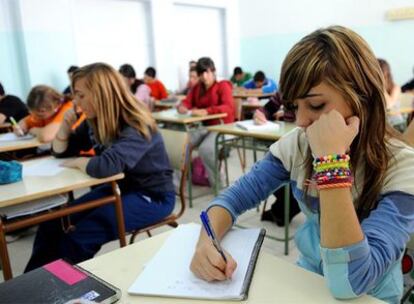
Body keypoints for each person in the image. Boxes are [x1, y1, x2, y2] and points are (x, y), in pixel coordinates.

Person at [189, 26, 414, 303]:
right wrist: (206, 240)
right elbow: (233, 198)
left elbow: (351, 281)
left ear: (363, 99)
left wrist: (331, 164)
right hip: (308, 280)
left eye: (316, 105)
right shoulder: (298, 145)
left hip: (371, 295)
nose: (301, 121)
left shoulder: (403, 167)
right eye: (295, 106)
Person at [24, 62, 175, 271]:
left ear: (102, 94)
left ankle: (59, 289)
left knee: (79, 238)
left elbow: (106, 166)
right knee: (52, 224)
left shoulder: (136, 123)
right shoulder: (95, 120)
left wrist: (78, 162)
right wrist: (66, 127)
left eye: (81, 95)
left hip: (153, 196)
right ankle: (30, 287)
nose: (76, 102)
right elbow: (61, 151)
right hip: (120, 187)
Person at [178, 57, 234, 188]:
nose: (204, 76)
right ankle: (179, 183)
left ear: (213, 71)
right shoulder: (198, 87)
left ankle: (218, 185)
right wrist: (182, 106)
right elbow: (187, 101)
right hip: (204, 127)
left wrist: (207, 111)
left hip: (224, 127)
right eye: (201, 73)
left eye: (207, 72)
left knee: (206, 149)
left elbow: (228, 107)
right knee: (182, 142)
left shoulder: (223, 85)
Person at [253, 92, 300, 226]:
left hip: (308, 143)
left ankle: (284, 209)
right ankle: (284, 208)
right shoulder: (285, 89)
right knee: (271, 168)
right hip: (287, 142)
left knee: (291, 171)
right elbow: (267, 108)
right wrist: (260, 114)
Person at [378, 59, 406, 132]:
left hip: (396, 124)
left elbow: (389, 105)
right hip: (383, 124)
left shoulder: (395, 88)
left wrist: (381, 85)